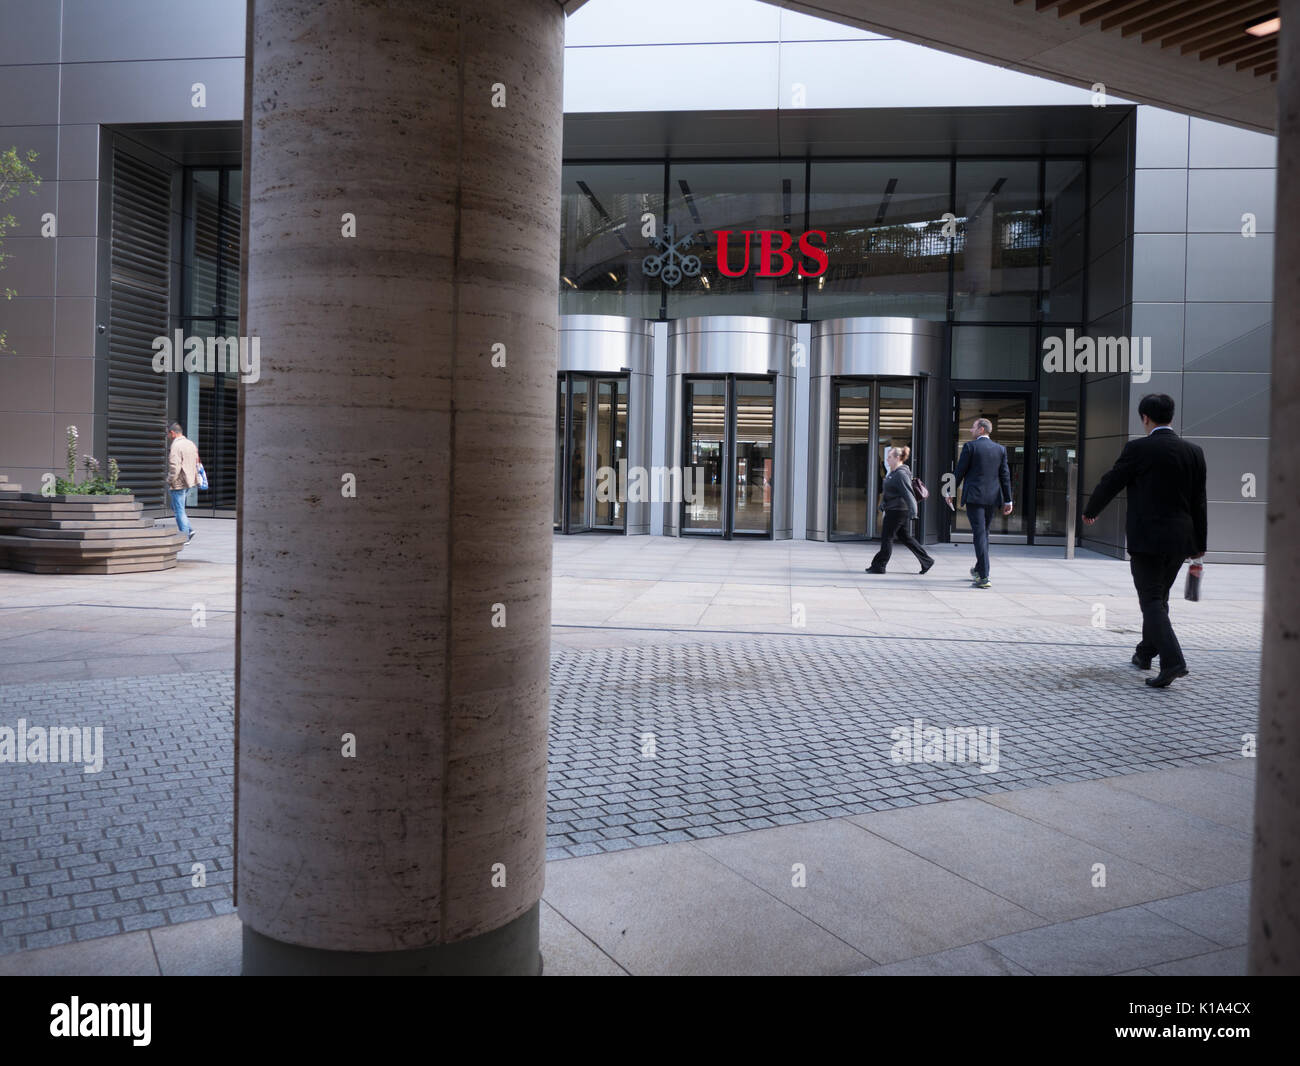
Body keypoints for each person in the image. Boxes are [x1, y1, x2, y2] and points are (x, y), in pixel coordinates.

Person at [1082, 393, 1207, 689]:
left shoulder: (1138, 448)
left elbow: (1112, 480)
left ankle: (1173, 661)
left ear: (1145, 418)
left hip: (1147, 539)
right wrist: (1200, 544)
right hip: (1180, 540)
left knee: (1150, 600)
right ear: (1171, 417)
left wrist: (1091, 511)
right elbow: (1199, 502)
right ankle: (1145, 653)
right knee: (1159, 597)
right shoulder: (1194, 452)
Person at [953, 417, 1012, 589]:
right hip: (992, 498)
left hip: (974, 497)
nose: (971, 431)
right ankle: (979, 568)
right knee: (983, 533)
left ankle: (984, 576)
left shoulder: (970, 447)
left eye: (973, 428)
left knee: (979, 534)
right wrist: (1008, 499)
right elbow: (1005, 476)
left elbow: (959, 472)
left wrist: (949, 492)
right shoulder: (1000, 450)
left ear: (981, 429)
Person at [865, 445, 934, 575]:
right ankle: (927, 561)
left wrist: (914, 512)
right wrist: (883, 503)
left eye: (890, 457)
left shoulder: (901, 474)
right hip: (895, 509)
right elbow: (890, 491)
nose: (887, 459)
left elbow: (908, 493)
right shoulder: (893, 473)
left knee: (887, 538)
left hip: (897, 511)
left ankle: (879, 566)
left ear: (897, 458)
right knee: (906, 537)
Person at [166, 422, 199, 545]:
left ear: (173, 433)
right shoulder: (190, 444)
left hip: (178, 482)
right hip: (189, 481)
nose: (167, 436)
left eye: (168, 433)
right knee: (179, 508)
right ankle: (189, 530)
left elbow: (174, 467)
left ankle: (184, 536)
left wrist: (169, 480)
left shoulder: (176, 446)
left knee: (179, 509)